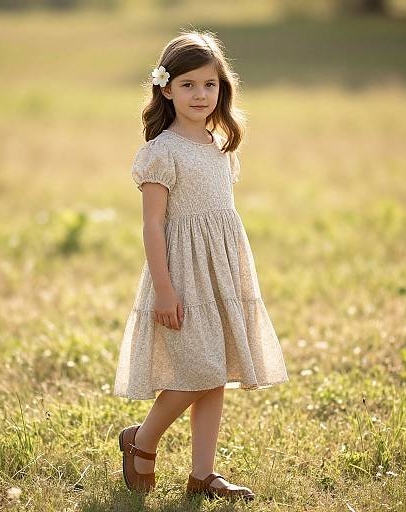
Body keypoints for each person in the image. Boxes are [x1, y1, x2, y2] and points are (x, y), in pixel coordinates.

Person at [113, 29, 289, 501]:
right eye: (188, 84)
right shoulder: (161, 152)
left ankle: (202, 474)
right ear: (166, 88)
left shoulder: (219, 145)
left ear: (222, 88)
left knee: (217, 372)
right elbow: (154, 225)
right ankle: (142, 440)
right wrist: (165, 290)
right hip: (182, 275)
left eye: (209, 84)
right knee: (198, 369)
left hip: (221, 273)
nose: (200, 94)